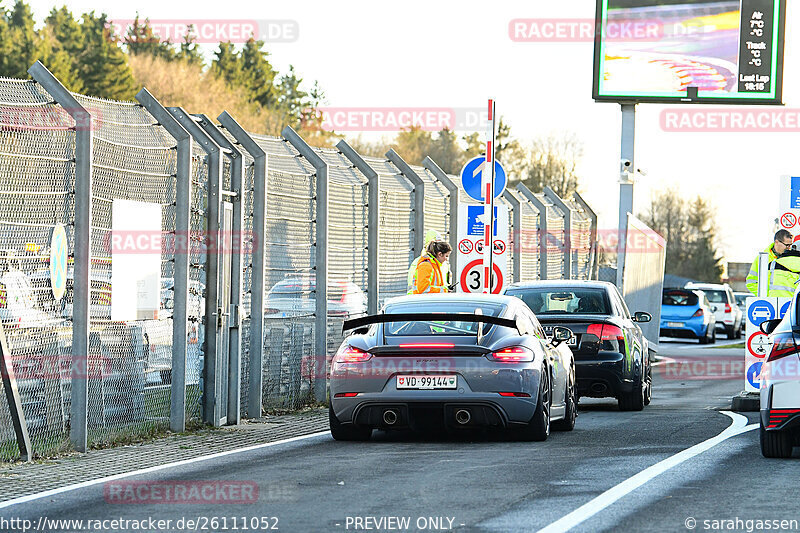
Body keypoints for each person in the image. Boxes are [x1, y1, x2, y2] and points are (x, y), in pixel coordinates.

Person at [746, 229, 793, 295]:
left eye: (790, 245)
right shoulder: (762, 259)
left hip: (788, 303)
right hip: (769, 303)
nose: (789, 248)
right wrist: (767, 296)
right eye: (787, 245)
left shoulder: (791, 259)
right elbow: (751, 283)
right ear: (776, 242)